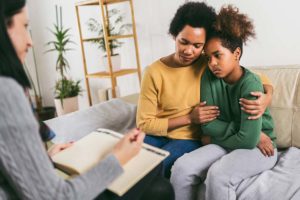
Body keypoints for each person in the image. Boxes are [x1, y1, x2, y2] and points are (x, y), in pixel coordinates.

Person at [0, 0, 174, 199]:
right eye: (24, 26)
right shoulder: (6, 92)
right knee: (157, 181)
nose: (30, 41)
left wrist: (44, 158)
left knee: (159, 188)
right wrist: (117, 157)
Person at [136, 1, 274, 178]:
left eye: (197, 45)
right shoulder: (154, 72)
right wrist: (189, 118)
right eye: (183, 42)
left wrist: (267, 96)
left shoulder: (207, 62)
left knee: (157, 167)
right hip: (158, 133)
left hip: (189, 138)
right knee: (132, 162)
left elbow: (252, 76)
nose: (188, 51)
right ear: (174, 36)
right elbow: (144, 123)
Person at [170, 5, 277, 200]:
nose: (211, 63)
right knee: (181, 168)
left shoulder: (250, 83)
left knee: (219, 175)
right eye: (208, 57)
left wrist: (212, 139)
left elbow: (247, 140)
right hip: (238, 140)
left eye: (218, 55)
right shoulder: (209, 78)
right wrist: (234, 133)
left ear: (236, 54)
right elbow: (208, 125)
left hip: (262, 148)